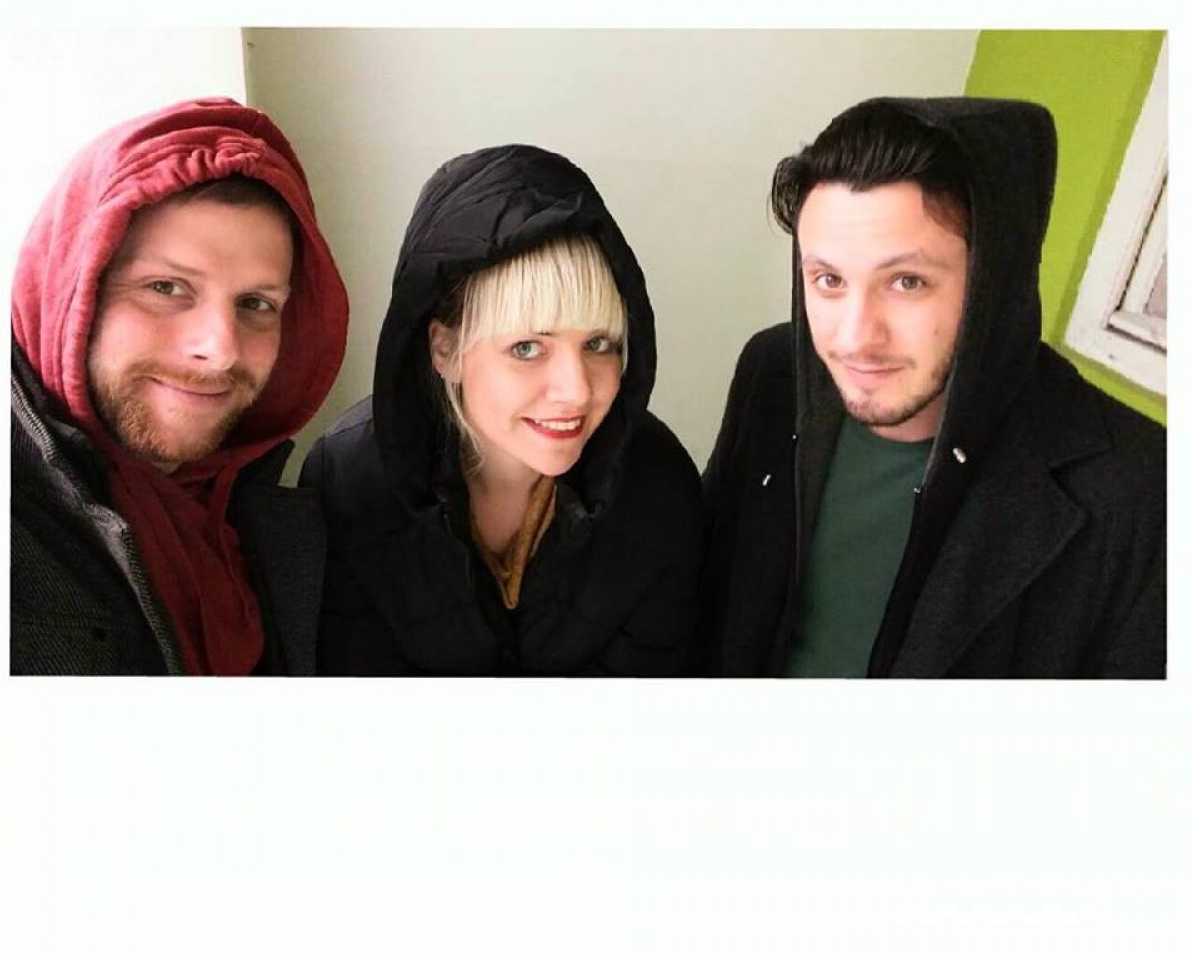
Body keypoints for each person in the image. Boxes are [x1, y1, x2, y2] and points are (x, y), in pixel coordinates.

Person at [703, 97, 1166, 678]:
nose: (855, 337)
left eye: (907, 281)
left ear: (995, 283)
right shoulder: (773, 374)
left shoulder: (1145, 494)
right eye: (828, 279)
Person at [302, 143, 704, 675]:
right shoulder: (349, 480)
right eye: (527, 348)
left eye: (599, 344)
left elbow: (652, 703)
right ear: (445, 349)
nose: (575, 391)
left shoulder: (658, 483)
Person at [11, 97, 349, 675]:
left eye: (256, 303)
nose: (221, 349)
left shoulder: (272, 519)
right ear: (70, 289)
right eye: (166, 288)